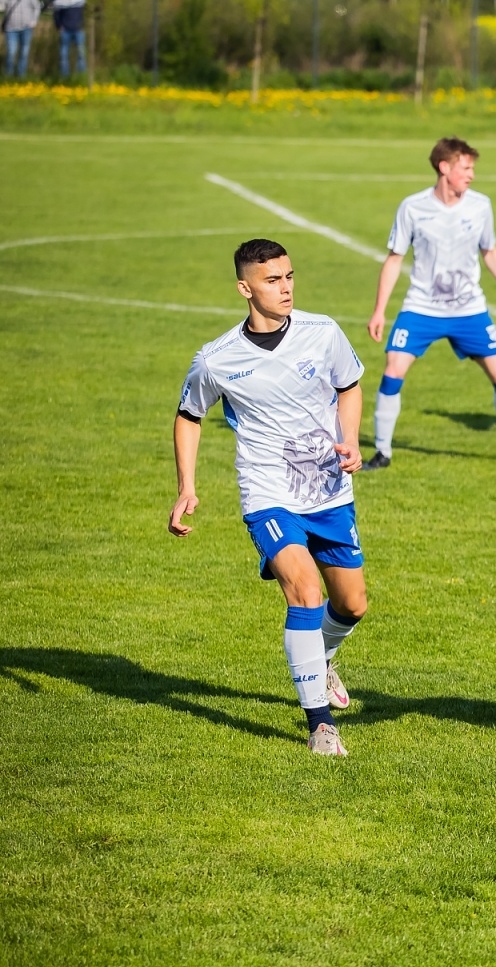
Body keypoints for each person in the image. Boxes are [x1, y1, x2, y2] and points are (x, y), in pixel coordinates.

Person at [169, 240, 372, 757]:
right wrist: (186, 486)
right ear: (245, 289)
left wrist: (349, 437)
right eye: (272, 280)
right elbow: (190, 415)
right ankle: (320, 726)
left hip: (328, 489)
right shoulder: (216, 359)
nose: (285, 288)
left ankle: (321, 660)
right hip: (267, 492)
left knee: (351, 604)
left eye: (288, 277)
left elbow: (349, 385)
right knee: (304, 590)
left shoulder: (322, 332)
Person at [365, 136, 496, 469]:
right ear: (444, 167)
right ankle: (382, 452)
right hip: (421, 308)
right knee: (393, 370)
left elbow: (489, 251)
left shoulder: (480, 205)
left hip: (469, 310)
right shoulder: (413, 207)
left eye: (473, 168)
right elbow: (394, 259)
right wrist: (379, 310)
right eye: (466, 167)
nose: (471, 174)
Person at [3, 0, 39, 78]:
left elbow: (37, 7)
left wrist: (34, 21)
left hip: (26, 28)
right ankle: (8, 76)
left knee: (24, 53)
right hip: (11, 29)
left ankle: (21, 76)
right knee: (11, 52)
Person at [52, 0, 85, 77]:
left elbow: (85, 11)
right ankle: (64, 77)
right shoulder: (59, 2)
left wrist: (82, 25)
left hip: (78, 29)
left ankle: (82, 76)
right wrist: (59, 26)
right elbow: (56, 14)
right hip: (65, 31)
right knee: (64, 55)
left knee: (81, 54)